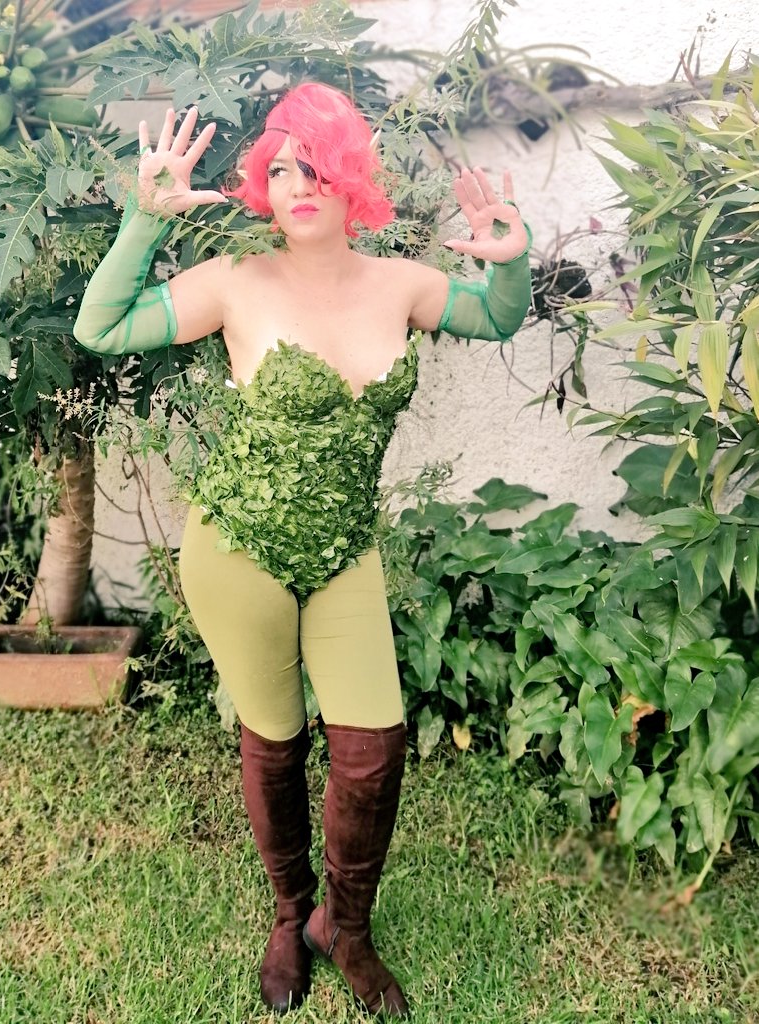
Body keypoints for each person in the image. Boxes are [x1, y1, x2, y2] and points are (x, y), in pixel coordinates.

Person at [74, 82, 531, 1018]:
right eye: (281, 169)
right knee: (275, 741)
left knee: (373, 749)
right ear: (263, 187)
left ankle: (344, 928)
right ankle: (291, 914)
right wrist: (143, 220)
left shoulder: (401, 284)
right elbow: (100, 328)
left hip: (343, 551)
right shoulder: (236, 281)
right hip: (237, 551)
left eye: (318, 166)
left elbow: (496, 316)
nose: (298, 184)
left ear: (351, 178)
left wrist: (512, 259)